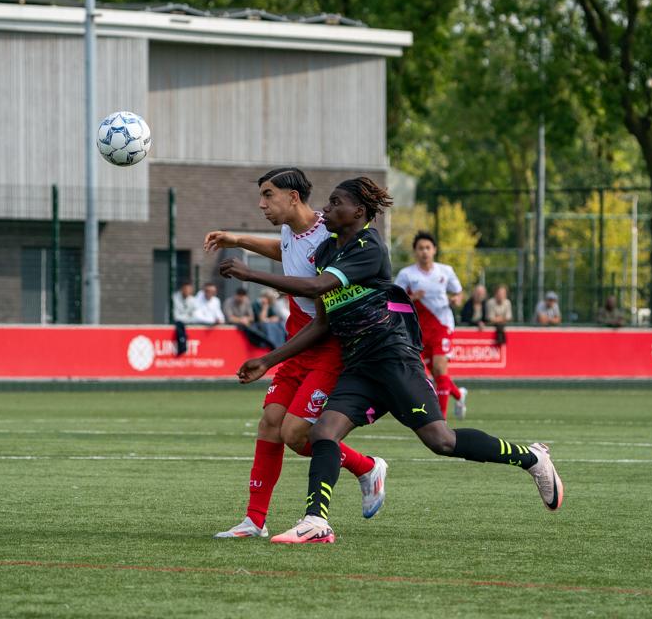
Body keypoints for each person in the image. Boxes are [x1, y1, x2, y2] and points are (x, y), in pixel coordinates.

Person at [220, 178, 562, 544]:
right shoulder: (324, 253)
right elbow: (321, 323)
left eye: (336, 204)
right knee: (323, 432)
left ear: (359, 212)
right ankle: (316, 522)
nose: (328, 210)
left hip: (394, 359)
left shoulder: (370, 248)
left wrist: (251, 273)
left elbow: (318, 288)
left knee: (441, 441)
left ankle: (531, 457)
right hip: (357, 366)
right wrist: (269, 360)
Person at [204, 167, 386, 539]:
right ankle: (254, 521)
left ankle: (366, 467)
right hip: (297, 342)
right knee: (270, 422)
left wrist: (249, 271)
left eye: (268, 195)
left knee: (296, 433)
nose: (261, 204)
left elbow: (314, 279)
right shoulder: (290, 230)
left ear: (292, 197)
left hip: (329, 345)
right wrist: (236, 239)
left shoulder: (329, 233)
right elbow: (285, 251)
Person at [394, 231, 468, 420]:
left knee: (440, 367)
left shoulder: (446, 271)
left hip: (442, 325)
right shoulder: (406, 275)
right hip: (418, 331)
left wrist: (456, 300)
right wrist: (413, 298)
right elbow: (393, 303)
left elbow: (459, 293)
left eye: (428, 248)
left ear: (434, 250)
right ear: (415, 252)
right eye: (421, 248)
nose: (425, 252)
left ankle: (439, 419)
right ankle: (459, 395)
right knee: (436, 373)